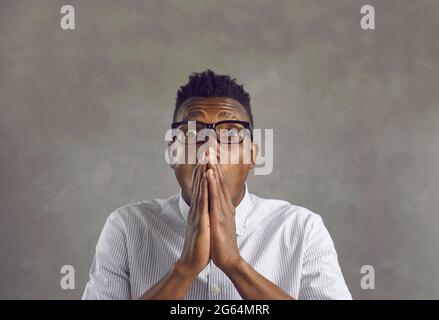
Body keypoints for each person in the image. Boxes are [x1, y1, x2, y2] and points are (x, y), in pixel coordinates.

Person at [82, 69, 351, 300]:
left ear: (252, 155)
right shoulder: (126, 227)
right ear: (172, 152)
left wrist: (234, 264)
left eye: (231, 134)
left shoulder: (301, 229)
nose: (210, 150)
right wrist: (185, 268)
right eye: (191, 134)